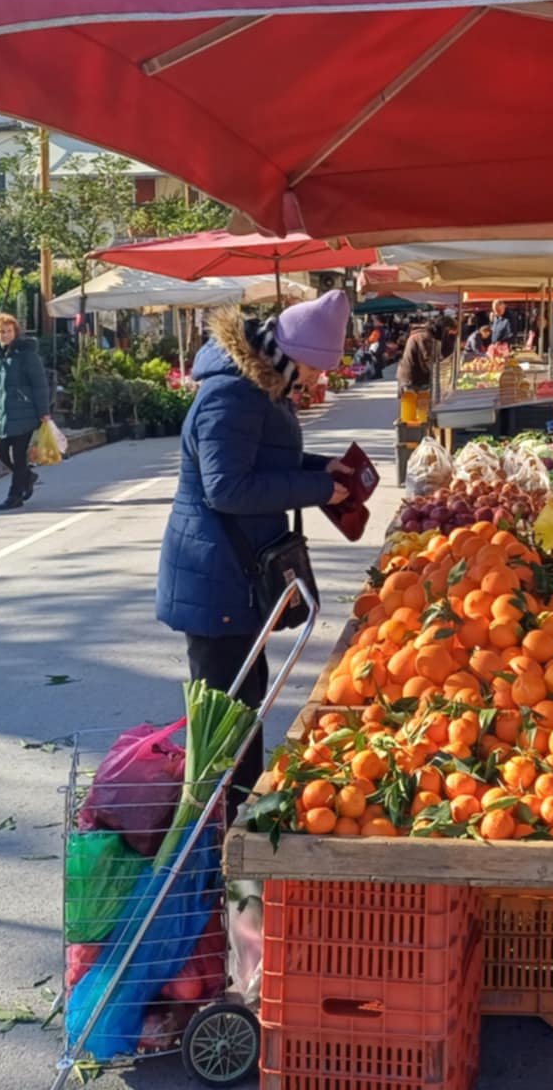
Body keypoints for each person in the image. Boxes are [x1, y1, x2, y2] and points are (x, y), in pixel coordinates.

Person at [157, 289, 354, 800]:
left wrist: (320, 469)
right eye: (314, 369)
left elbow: (261, 462)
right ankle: (217, 834)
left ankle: (236, 814)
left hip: (236, 573)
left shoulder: (261, 387)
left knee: (244, 703)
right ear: (292, 358)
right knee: (224, 719)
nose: (317, 381)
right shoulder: (231, 394)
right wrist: (316, 489)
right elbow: (226, 488)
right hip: (217, 574)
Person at [0, 312, 53, 511]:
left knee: (19, 455)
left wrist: (44, 412)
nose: (5, 335)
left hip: (25, 412)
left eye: (9, 331)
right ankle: (27, 476)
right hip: (1, 414)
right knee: (2, 453)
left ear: (15, 332)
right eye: (1, 331)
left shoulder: (26, 354)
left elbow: (40, 385)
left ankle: (15, 495)